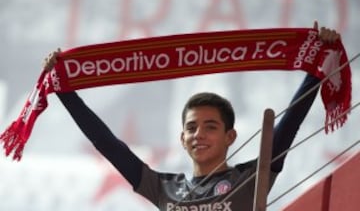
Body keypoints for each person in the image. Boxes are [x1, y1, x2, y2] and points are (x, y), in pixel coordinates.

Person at [43, 22, 340, 211]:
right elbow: (107, 144)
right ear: (182, 139)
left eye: (211, 126)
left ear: (230, 136)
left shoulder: (250, 178)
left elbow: (289, 123)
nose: (199, 134)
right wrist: (65, 92)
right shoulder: (162, 187)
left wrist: (318, 66)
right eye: (192, 128)